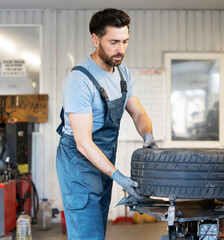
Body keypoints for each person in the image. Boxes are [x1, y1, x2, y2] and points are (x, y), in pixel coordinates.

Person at [55, 8, 157, 240]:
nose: (120, 49)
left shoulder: (122, 74)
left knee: (97, 229)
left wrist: (148, 136)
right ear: (95, 39)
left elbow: (138, 113)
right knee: (87, 233)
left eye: (125, 41)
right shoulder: (79, 81)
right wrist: (119, 177)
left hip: (102, 161)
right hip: (78, 163)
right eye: (113, 42)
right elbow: (83, 142)